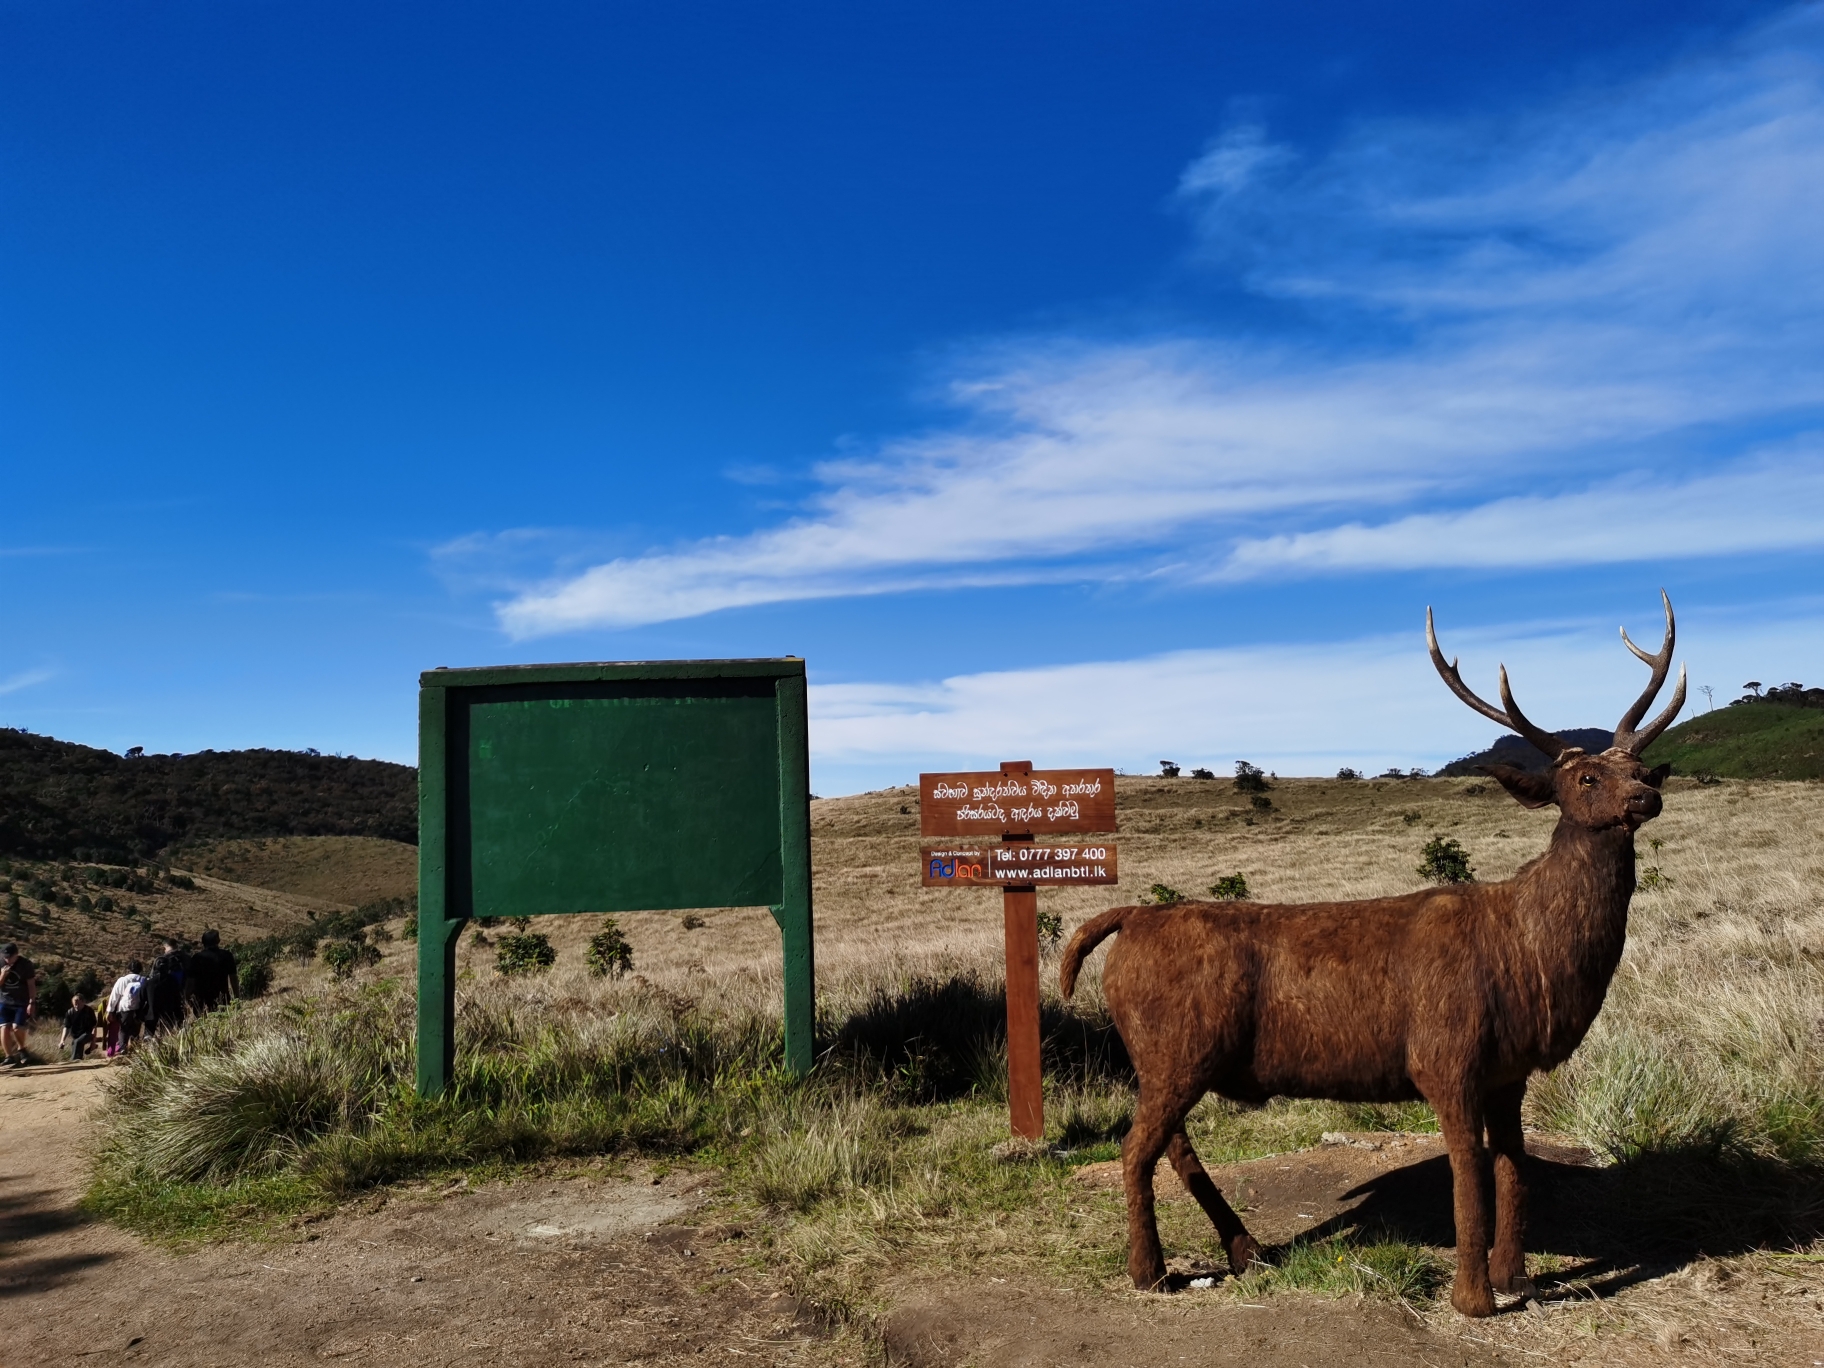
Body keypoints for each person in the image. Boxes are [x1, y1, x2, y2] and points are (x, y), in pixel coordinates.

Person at [186, 929, 239, 1015]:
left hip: (201, 1001)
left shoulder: (197, 958)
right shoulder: (226, 955)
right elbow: (233, 979)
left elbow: (190, 982)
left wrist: (188, 999)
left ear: (203, 942)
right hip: (222, 999)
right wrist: (237, 997)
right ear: (218, 941)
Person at [0, 943, 37, 1068]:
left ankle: (22, 1049)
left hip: (21, 1001)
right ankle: (9, 1056)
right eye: (5, 957)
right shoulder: (1, 962)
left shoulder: (25, 964)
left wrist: (32, 1002)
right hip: (4, 1000)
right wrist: (2, 975)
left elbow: (31, 984)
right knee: (4, 1027)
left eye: (10, 957)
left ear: (17, 955)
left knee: (16, 1027)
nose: (7, 959)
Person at [145, 939, 189, 1035]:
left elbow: (152, 977)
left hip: (159, 996)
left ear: (165, 947)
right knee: (170, 1024)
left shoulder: (161, 959)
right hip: (181, 995)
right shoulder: (186, 958)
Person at [106, 960, 146, 1056]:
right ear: (140, 969)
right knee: (136, 1030)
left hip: (124, 1009)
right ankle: (135, 1051)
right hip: (138, 1009)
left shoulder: (122, 980)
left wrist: (110, 1011)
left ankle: (123, 1048)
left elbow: (114, 996)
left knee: (123, 1030)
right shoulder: (144, 980)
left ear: (129, 969)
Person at [59, 994, 98, 1060]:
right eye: (75, 1004)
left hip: (87, 1033)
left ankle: (74, 1060)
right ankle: (79, 1060)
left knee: (78, 1042)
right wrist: (62, 1041)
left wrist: (93, 1042)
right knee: (75, 1043)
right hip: (76, 1035)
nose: (76, 1006)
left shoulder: (89, 1011)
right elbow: (66, 1027)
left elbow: (94, 1027)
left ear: (83, 1002)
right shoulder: (70, 1012)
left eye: (78, 1004)